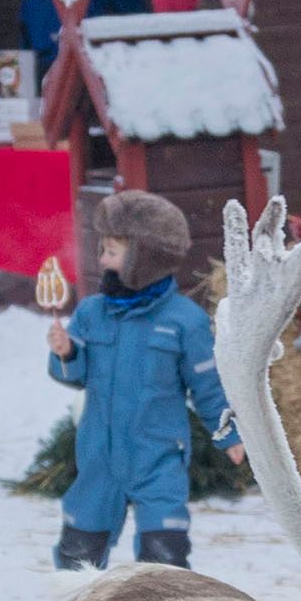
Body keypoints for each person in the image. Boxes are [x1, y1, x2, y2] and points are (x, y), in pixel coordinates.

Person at [46, 190, 239, 571]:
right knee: (79, 545)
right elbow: (74, 375)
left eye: (112, 252)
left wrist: (231, 436)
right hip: (99, 453)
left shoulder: (185, 321)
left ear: (144, 259)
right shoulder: (92, 313)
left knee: (164, 549)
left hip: (158, 454)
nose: (102, 260)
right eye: (102, 249)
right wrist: (66, 353)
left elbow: (208, 387)